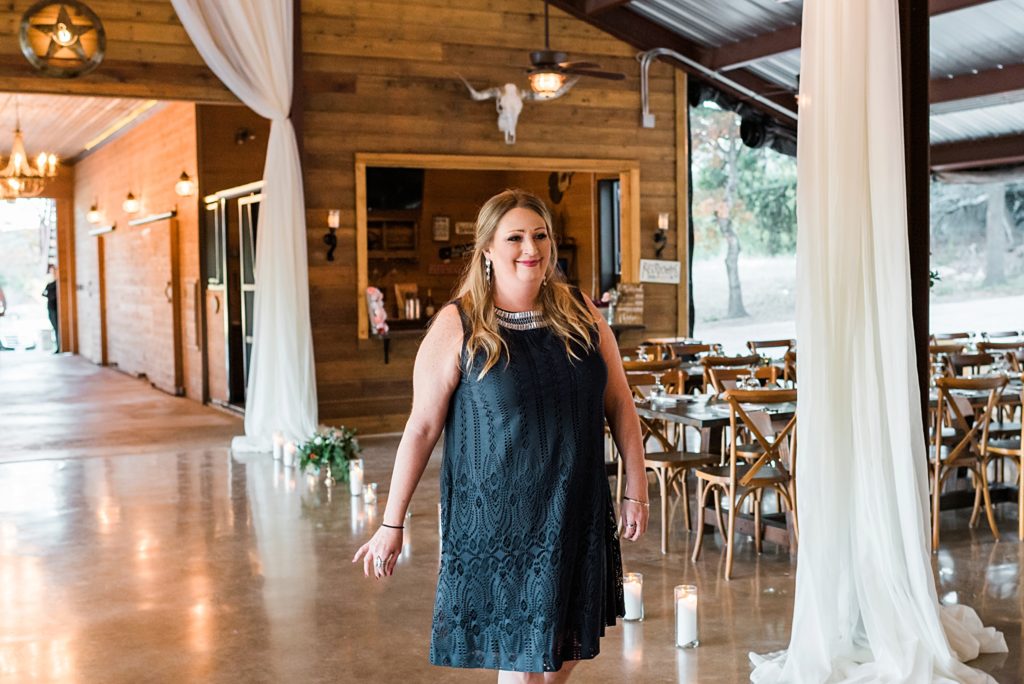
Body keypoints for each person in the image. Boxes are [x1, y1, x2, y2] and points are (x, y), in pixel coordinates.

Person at [353, 189, 649, 683]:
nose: (530, 247)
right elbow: (422, 426)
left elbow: (620, 403)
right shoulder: (459, 323)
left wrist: (634, 489)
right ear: (487, 249)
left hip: (576, 507)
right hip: (503, 521)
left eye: (539, 235)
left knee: (563, 649)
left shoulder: (582, 311)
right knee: (527, 662)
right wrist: (391, 522)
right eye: (514, 237)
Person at [43, 265, 59, 352]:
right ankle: (57, 346)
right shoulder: (49, 284)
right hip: (50, 307)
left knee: (57, 327)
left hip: (56, 308)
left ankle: (59, 347)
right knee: (54, 327)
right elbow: (43, 293)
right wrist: (50, 296)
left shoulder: (57, 284)